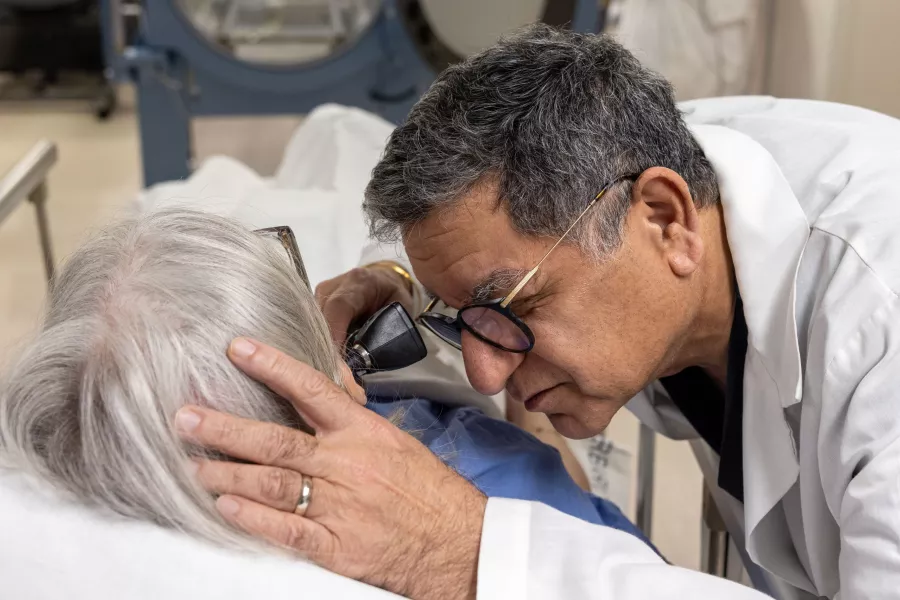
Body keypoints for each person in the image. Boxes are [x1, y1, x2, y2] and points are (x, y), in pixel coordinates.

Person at [181, 24, 900, 600]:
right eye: (462, 322)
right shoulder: (633, 179)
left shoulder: (879, 316)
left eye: (507, 308)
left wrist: (463, 555)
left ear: (666, 217)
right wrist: (413, 288)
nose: (487, 377)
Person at [0, 209, 648, 598]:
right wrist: (526, 408)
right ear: (311, 382)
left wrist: (393, 276)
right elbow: (595, 554)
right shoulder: (495, 481)